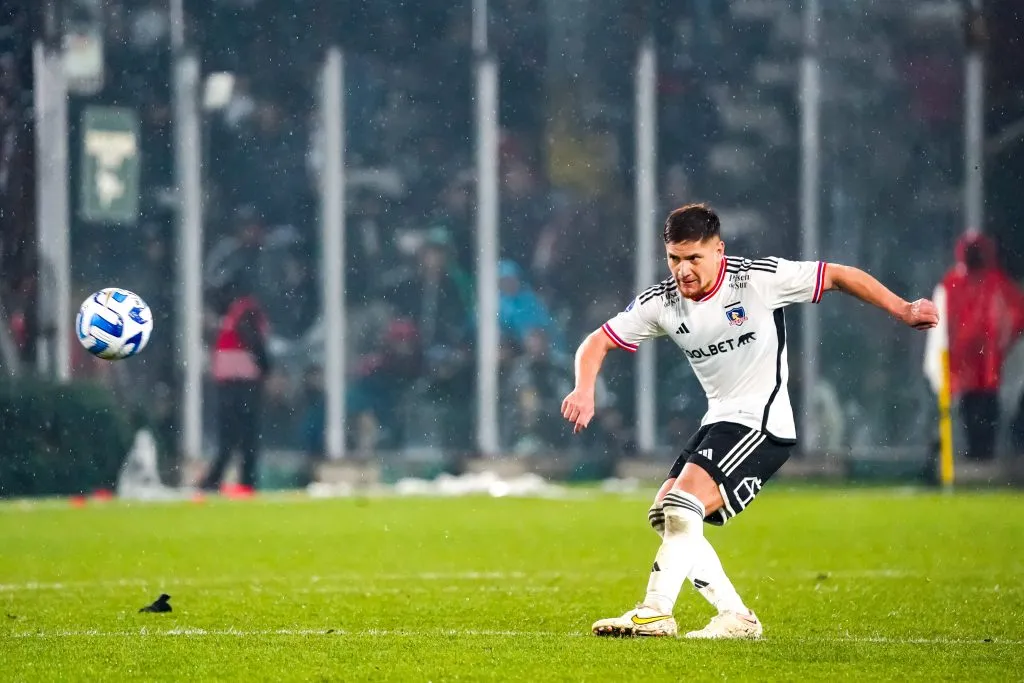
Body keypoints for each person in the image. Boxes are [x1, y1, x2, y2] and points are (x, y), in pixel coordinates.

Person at [560, 204, 938, 639]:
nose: (682, 270)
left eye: (693, 258)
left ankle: (654, 612)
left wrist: (903, 309)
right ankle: (736, 617)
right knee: (666, 514)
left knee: (683, 507)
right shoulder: (662, 302)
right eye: (674, 258)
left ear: (718, 250)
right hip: (720, 418)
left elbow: (838, 274)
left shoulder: (757, 279)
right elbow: (595, 343)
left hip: (762, 422)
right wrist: (584, 388)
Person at [923, 231, 1024, 461]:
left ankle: (982, 460)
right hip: (966, 368)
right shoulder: (954, 284)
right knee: (967, 414)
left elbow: (1014, 315)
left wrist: (1000, 344)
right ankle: (969, 460)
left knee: (985, 412)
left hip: (987, 368)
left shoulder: (992, 283)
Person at [201, 271, 271, 495]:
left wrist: (266, 366)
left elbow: (252, 339)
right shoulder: (237, 313)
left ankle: (236, 480)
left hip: (241, 385)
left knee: (237, 436)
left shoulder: (244, 310)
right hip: (236, 384)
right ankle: (234, 480)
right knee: (237, 436)